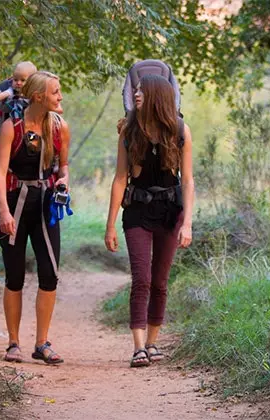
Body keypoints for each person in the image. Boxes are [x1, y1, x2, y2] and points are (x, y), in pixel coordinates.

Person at [104, 74, 195, 368]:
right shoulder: (128, 130)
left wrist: (188, 223)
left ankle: (154, 343)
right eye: (136, 90)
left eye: (142, 91)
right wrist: (110, 224)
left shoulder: (180, 130)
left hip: (170, 212)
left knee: (160, 282)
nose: (136, 94)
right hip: (137, 212)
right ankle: (139, 347)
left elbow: (189, 181)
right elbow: (120, 178)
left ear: (156, 96)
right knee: (141, 279)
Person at [0, 71, 70, 364]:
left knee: (49, 274)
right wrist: (3, 211)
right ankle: (13, 343)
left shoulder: (60, 128)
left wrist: (64, 182)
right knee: (15, 276)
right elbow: (0, 174)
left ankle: (42, 343)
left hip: (46, 206)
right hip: (14, 203)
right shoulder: (10, 128)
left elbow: (63, 168)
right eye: (56, 92)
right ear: (39, 97)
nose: (60, 97)